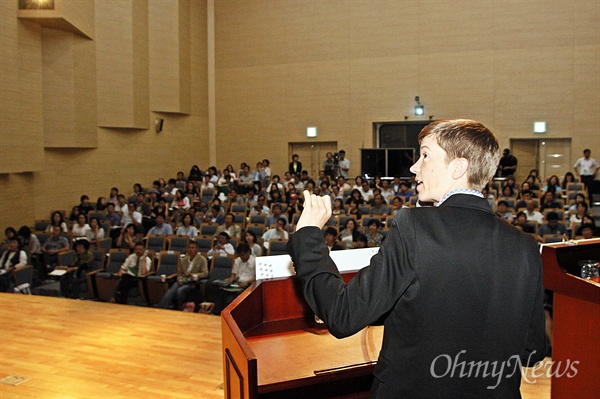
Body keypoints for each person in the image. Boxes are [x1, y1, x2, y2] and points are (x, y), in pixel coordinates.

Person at [286, 119, 546, 398]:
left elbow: (342, 315)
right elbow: (532, 350)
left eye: (424, 155)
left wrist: (309, 234)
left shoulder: (414, 227)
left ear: (458, 167)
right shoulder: (526, 247)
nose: (414, 167)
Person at [158, 241, 208, 310]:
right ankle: (162, 307)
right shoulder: (183, 260)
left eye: (193, 248)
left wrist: (192, 275)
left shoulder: (202, 259)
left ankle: (179, 308)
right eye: (189, 248)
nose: (191, 250)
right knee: (171, 291)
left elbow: (205, 273)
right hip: (182, 280)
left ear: (197, 249)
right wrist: (179, 280)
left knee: (180, 291)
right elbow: (179, 273)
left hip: (192, 282)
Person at [209, 243, 256, 315]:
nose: (242, 257)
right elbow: (233, 275)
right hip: (236, 284)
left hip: (248, 285)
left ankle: (231, 315)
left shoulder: (255, 261)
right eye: (240, 255)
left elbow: (257, 278)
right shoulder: (237, 260)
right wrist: (228, 282)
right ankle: (216, 313)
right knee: (221, 291)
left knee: (233, 297)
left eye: (243, 255)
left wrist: (246, 282)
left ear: (248, 252)